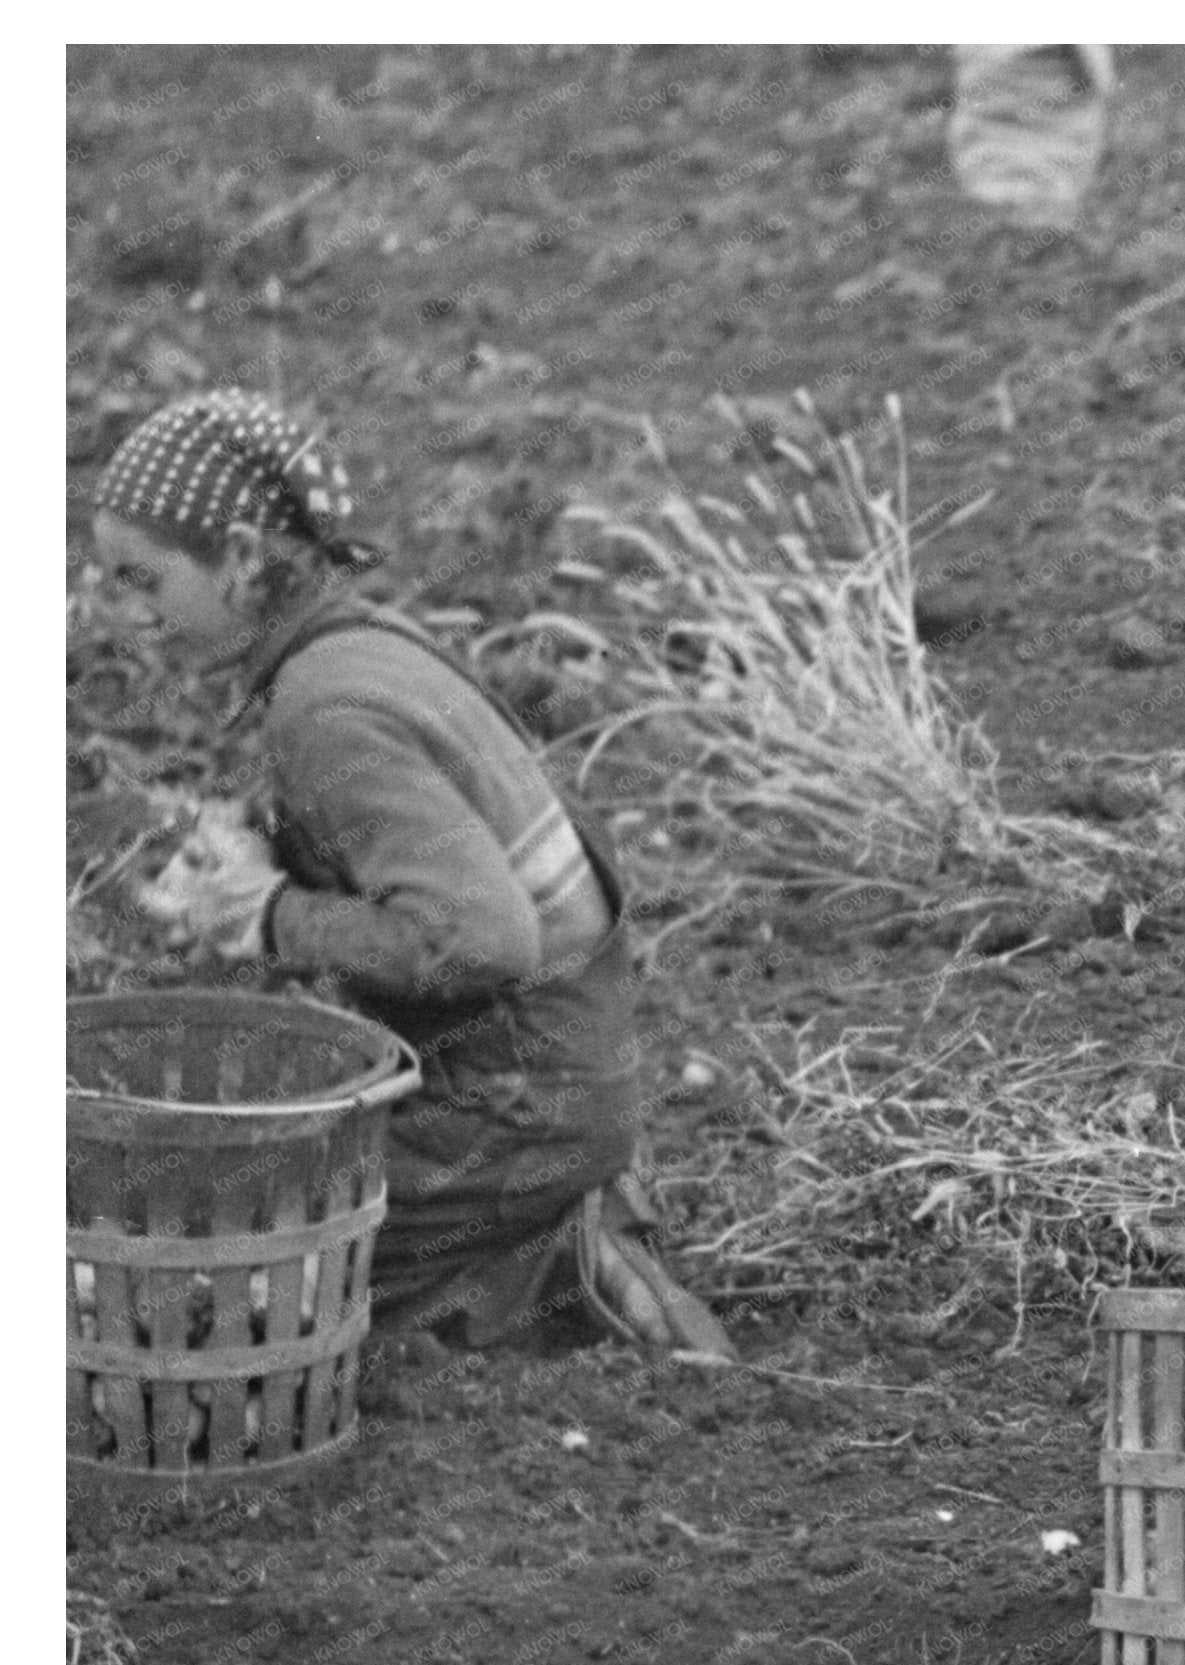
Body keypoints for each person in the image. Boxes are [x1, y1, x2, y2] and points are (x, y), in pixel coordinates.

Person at [89, 388, 730, 1358]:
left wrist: (267, 918)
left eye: (144, 580)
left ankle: (552, 1256)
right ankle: (543, 1252)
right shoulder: (357, 652)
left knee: (182, 1299)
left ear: (245, 557)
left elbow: (482, 940)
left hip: (509, 1108)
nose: (126, 614)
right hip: (545, 1087)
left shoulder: (329, 708)